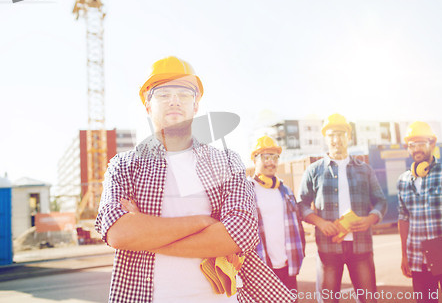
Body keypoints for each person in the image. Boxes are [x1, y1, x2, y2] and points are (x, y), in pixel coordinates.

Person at [95, 56, 294, 303]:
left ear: (196, 106)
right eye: (163, 94)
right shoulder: (124, 166)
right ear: (147, 105)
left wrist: (145, 236)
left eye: (185, 94)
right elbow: (118, 233)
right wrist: (204, 222)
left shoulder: (227, 161)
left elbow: (240, 234)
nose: (175, 101)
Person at [297, 113, 387, 303]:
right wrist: (319, 222)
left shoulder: (365, 169)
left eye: (341, 134)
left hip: (361, 247)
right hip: (328, 249)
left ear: (349, 136)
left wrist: (370, 219)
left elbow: (381, 201)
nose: (336, 140)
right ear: (325, 138)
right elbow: (301, 204)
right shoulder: (314, 170)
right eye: (331, 135)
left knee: (369, 300)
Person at [398, 121, 442, 303]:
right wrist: (405, 257)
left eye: (421, 143)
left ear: (432, 144)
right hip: (418, 260)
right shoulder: (403, 180)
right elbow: (403, 218)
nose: (416, 149)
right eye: (411, 145)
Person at [248, 136, 306, 295]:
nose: (270, 162)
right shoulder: (245, 191)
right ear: (254, 160)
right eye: (265, 157)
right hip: (261, 271)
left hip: (288, 269)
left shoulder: (286, 191)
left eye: (274, 157)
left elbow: (298, 227)